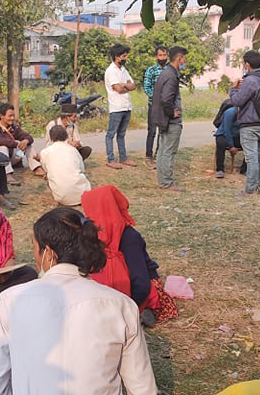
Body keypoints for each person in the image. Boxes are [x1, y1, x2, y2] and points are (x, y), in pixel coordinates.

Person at [0, 207, 157, 395]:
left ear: (47, 252)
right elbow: (142, 386)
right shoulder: (120, 304)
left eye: (34, 247)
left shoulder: (10, 300)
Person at [81, 185, 178, 326]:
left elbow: (141, 282)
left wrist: (130, 306)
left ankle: (144, 310)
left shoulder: (129, 237)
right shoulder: (92, 235)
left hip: (137, 290)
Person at [231, 50, 260, 195]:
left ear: (246, 64)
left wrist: (233, 90)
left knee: (251, 158)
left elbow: (238, 101)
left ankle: (249, 190)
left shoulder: (250, 80)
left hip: (249, 123)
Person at [152, 46, 188, 192]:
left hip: (163, 118)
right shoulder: (171, 76)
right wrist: (172, 112)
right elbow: (166, 99)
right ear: (179, 59)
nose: (185, 61)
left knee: (163, 151)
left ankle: (163, 181)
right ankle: (167, 183)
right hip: (170, 120)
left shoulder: (166, 73)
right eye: (184, 59)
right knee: (168, 151)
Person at [0, 103, 42, 185]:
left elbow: (28, 136)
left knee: (28, 146)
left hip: (11, 159)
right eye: (9, 116)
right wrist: (17, 144)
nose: (12, 118)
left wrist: (25, 141)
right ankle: (7, 174)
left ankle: (37, 168)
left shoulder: (14, 127)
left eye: (13, 115)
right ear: (1, 116)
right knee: (2, 148)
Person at [37, 125, 91, 206]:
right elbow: (82, 169)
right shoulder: (73, 150)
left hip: (62, 198)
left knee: (49, 177)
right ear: (66, 136)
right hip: (83, 194)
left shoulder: (45, 152)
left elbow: (47, 171)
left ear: (51, 138)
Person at [104, 43, 137, 169]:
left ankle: (123, 158)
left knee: (121, 134)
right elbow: (118, 89)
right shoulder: (110, 71)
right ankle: (111, 159)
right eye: (123, 56)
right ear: (116, 57)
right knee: (111, 134)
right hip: (116, 107)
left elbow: (133, 86)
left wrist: (124, 85)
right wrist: (125, 85)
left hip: (127, 106)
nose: (125, 58)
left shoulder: (124, 70)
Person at [143, 46, 168, 169]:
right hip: (154, 105)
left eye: (164, 55)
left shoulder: (170, 70)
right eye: (160, 55)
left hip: (166, 106)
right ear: (156, 56)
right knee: (152, 131)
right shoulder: (151, 70)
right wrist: (157, 98)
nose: (162, 58)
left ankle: (159, 155)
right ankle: (148, 156)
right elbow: (147, 88)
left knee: (162, 131)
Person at [214, 102, 244, 178]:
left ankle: (244, 169)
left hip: (237, 135)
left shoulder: (248, 112)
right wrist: (231, 146)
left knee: (251, 144)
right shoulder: (230, 112)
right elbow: (227, 130)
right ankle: (220, 170)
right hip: (224, 134)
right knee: (221, 143)